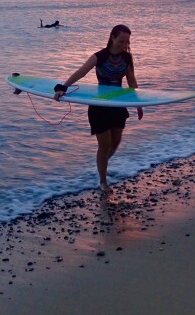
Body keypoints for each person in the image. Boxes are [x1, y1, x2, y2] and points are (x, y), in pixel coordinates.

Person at [53, 24, 143, 193]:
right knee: (104, 144)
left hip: (118, 104)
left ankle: (101, 165)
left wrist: (138, 104)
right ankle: (103, 181)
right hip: (99, 105)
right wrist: (63, 87)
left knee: (116, 142)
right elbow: (81, 72)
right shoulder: (99, 56)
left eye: (127, 41)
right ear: (112, 37)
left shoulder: (127, 58)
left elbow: (132, 81)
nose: (124, 44)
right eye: (121, 40)